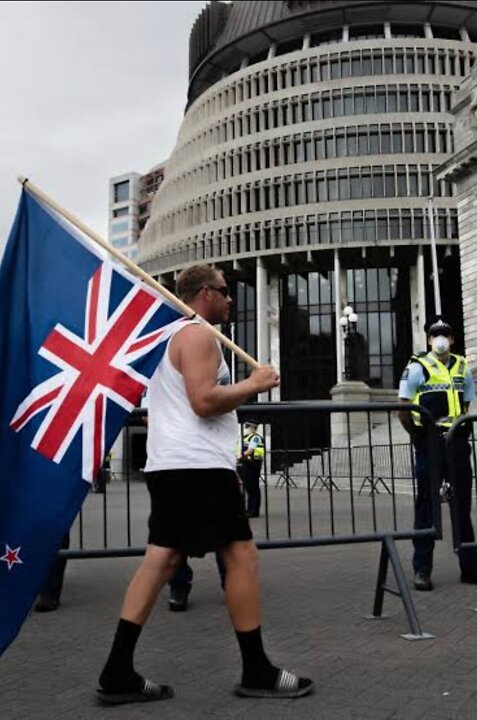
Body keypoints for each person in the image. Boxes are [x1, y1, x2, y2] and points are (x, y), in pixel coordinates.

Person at [95, 265, 312, 704]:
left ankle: (117, 670)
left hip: (172, 465)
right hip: (197, 469)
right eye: (225, 291)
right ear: (204, 294)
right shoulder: (198, 336)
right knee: (241, 557)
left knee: (161, 559)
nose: (231, 299)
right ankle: (256, 670)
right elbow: (204, 401)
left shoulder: (169, 338)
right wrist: (254, 384)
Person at [396, 318, 477, 592]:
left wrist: (460, 430)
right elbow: (402, 407)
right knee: (426, 507)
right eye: (435, 334)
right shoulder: (417, 366)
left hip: (456, 441)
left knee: (462, 505)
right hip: (430, 442)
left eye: (445, 334)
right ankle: (422, 570)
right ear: (429, 340)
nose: (440, 338)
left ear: (452, 339)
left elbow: (465, 402)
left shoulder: (462, 366)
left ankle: (470, 567)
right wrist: (419, 436)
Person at [238, 421, 264, 518]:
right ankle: (248, 509)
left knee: (253, 487)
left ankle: (253, 511)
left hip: (253, 464)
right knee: (248, 487)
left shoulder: (255, 437)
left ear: (254, 427)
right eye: (246, 426)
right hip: (246, 464)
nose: (247, 428)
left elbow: (250, 450)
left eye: (248, 426)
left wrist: (239, 457)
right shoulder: (246, 437)